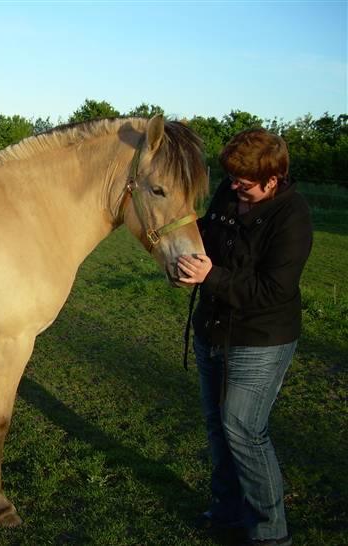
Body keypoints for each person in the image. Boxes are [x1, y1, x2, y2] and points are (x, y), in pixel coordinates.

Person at [177, 128, 313, 546]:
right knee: (218, 426)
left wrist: (210, 276)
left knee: (244, 429)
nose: (233, 185)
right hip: (212, 330)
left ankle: (271, 534)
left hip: (260, 340)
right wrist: (182, 250)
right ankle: (228, 511)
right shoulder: (228, 191)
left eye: (244, 181)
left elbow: (274, 289)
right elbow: (208, 230)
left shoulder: (292, 218)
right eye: (231, 177)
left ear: (273, 180)